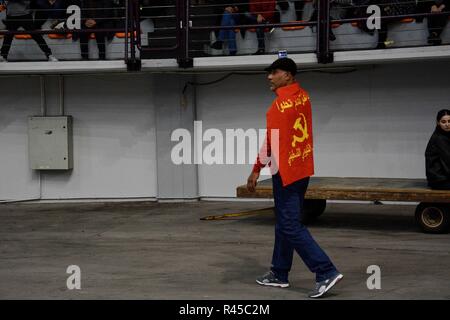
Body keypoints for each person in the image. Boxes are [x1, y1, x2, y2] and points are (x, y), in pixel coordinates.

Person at [247, 57, 343, 298]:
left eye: (274, 72)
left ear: (287, 75)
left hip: (287, 173)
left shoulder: (278, 107)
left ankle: (325, 271)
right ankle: (279, 273)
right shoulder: (303, 96)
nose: (269, 77)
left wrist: (256, 169)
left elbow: (271, 142)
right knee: (284, 222)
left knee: (290, 225)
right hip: (302, 168)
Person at [425, 109, 450, 190]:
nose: (447, 124)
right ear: (438, 123)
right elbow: (448, 160)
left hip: (444, 177)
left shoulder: (445, 135)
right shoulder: (439, 138)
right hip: (439, 180)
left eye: (449, 121)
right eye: (443, 122)